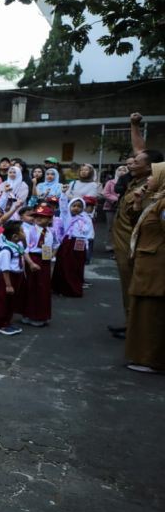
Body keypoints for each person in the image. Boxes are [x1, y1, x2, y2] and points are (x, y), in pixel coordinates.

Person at [109, 112, 164, 337]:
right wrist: (133, 125)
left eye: (136, 163)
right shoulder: (137, 180)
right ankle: (130, 320)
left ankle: (137, 327)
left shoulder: (153, 187)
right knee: (127, 284)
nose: (131, 164)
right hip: (124, 243)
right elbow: (140, 152)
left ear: (152, 167)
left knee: (137, 285)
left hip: (139, 246)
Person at [124, 161, 165, 372]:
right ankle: (143, 356)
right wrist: (138, 205)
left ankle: (153, 360)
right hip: (147, 266)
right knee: (143, 313)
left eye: (153, 175)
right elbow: (141, 228)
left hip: (156, 269)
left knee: (153, 316)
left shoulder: (164, 204)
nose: (148, 178)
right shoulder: (155, 201)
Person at [21, 204, 56, 327]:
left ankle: (42, 315)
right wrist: (30, 263)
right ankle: (30, 315)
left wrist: (52, 256)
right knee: (32, 288)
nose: (39, 219)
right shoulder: (29, 231)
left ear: (50, 219)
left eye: (43, 216)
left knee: (43, 288)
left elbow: (55, 245)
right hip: (33, 259)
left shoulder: (50, 232)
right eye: (37, 216)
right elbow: (24, 249)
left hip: (45, 261)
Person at [51, 197, 93, 298]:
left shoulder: (85, 219)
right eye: (74, 206)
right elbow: (63, 206)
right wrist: (64, 194)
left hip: (80, 244)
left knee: (76, 266)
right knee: (65, 265)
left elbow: (89, 233)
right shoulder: (67, 217)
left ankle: (74, 288)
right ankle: (62, 288)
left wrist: (86, 244)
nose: (76, 208)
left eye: (79, 206)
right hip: (68, 243)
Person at [0, 222, 27, 336]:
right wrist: (8, 285)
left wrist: (24, 239)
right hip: (7, 278)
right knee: (3, 301)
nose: (24, 233)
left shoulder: (17, 246)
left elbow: (24, 248)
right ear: (15, 236)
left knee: (11, 301)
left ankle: (7, 322)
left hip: (16, 276)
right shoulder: (6, 250)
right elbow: (5, 269)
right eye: (22, 231)